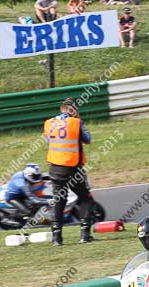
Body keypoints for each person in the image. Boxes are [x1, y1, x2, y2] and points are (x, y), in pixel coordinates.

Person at [43, 98, 94, 245]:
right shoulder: (76, 123)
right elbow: (88, 139)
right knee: (85, 198)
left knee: (59, 200)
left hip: (55, 168)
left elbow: (50, 141)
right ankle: (85, 235)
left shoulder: (49, 123)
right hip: (73, 168)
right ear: (72, 110)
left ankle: (57, 239)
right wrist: (78, 120)